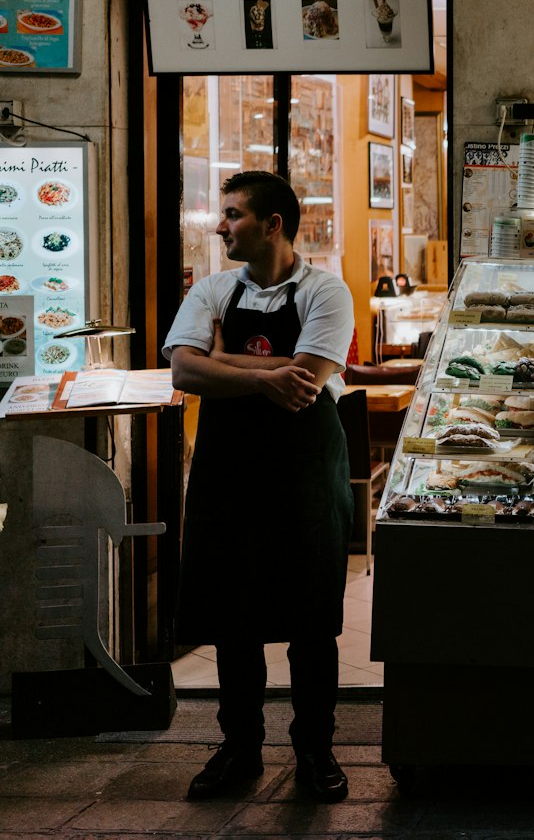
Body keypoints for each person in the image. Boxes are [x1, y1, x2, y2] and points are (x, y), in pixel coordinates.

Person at [162, 171, 356, 803]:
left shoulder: (326, 291)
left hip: (304, 473)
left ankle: (315, 752)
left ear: (273, 224)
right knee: (231, 619)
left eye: (232, 214)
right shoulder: (213, 287)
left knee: (311, 621)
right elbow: (185, 368)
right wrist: (264, 372)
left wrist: (227, 359)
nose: (220, 225)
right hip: (228, 472)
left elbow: (310, 377)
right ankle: (239, 750)